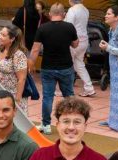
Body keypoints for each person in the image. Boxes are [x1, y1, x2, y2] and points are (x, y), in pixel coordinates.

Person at [27, 3, 78, 135]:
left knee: (48, 97)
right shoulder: (69, 27)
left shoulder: (43, 28)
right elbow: (75, 44)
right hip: (66, 67)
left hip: (48, 67)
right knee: (69, 96)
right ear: (64, 15)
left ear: (50, 14)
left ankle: (46, 125)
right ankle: (70, 122)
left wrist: (30, 64)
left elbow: (35, 49)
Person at [0, 25, 29, 115]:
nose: (0, 37)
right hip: (0, 92)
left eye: (3, 35)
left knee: (14, 121)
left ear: (12, 39)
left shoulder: (18, 55)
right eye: (0, 33)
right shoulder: (0, 49)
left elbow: (22, 79)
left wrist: (17, 99)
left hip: (13, 94)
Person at [65, 0, 95, 97]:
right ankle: (89, 88)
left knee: (68, 65)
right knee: (79, 65)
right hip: (84, 40)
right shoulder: (85, 10)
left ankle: (65, 89)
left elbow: (68, 27)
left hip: (73, 41)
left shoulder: (72, 10)